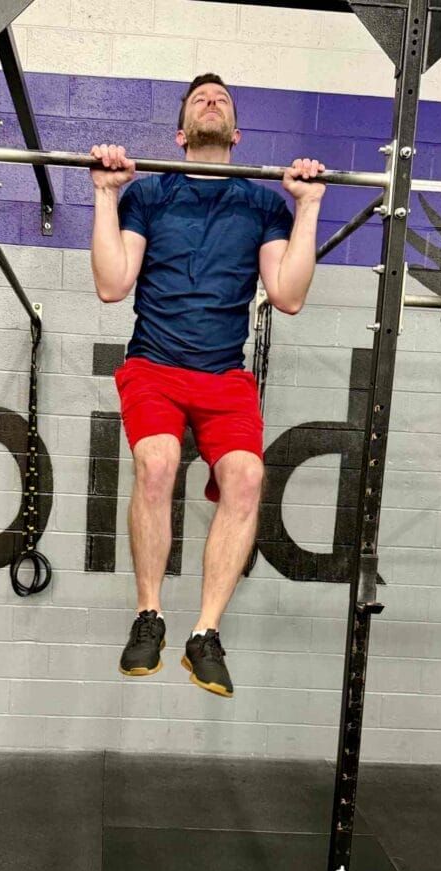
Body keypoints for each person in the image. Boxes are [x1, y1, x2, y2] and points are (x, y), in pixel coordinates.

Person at [89, 72, 326, 697]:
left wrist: (308, 207)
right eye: (200, 98)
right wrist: (106, 196)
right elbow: (113, 284)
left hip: (223, 376)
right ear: (181, 132)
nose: (211, 100)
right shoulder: (149, 195)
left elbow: (289, 295)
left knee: (248, 476)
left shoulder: (262, 206)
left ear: (236, 133)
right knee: (158, 459)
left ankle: (205, 634)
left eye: (222, 98)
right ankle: (149, 615)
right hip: (155, 367)